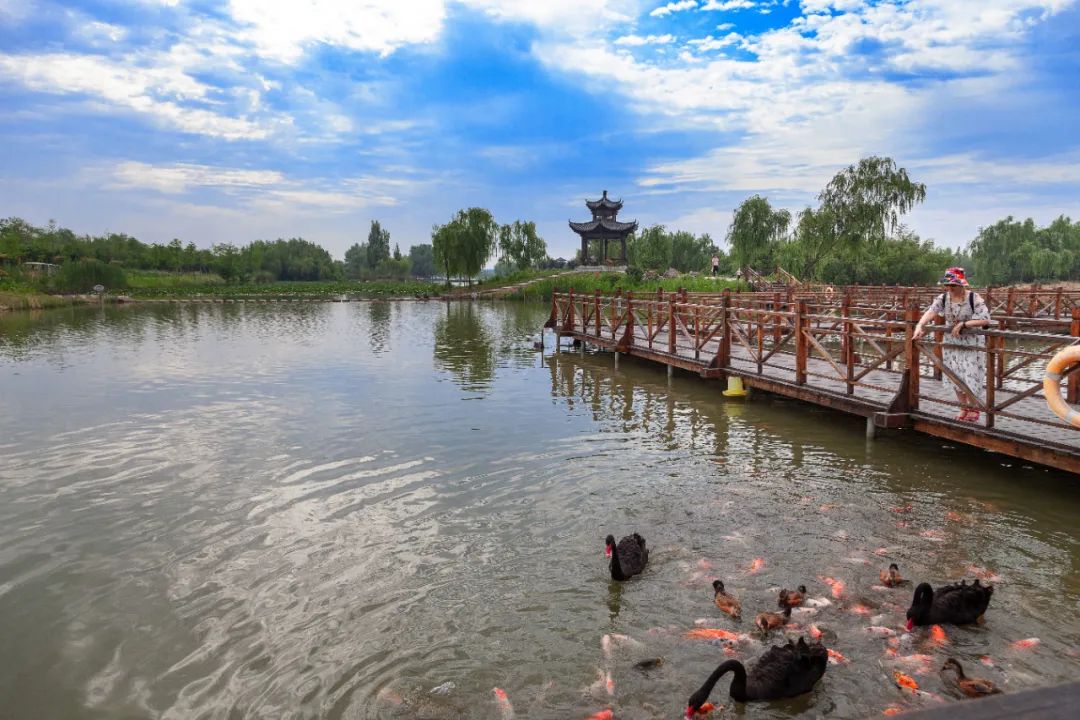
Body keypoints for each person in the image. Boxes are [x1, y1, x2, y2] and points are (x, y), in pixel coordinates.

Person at [912, 267, 991, 422]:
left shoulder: (973, 298)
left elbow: (985, 319)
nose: (949, 288)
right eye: (947, 285)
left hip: (971, 342)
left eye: (953, 285)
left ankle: (974, 408)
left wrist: (964, 324)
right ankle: (964, 407)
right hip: (951, 342)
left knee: (971, 373)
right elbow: (931, 312)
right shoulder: (943, 298)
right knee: (954, 374)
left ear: (962, 285)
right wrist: (920, 325)